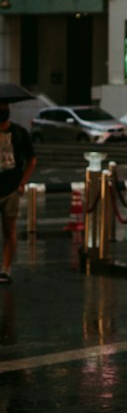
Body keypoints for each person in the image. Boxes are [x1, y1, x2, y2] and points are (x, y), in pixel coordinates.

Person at [0, 102, 36, 284]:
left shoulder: (19, 133)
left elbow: (32, 159)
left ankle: (5, 269)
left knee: (9, 229)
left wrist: (22, 183)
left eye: (4, 106)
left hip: (11, 189)